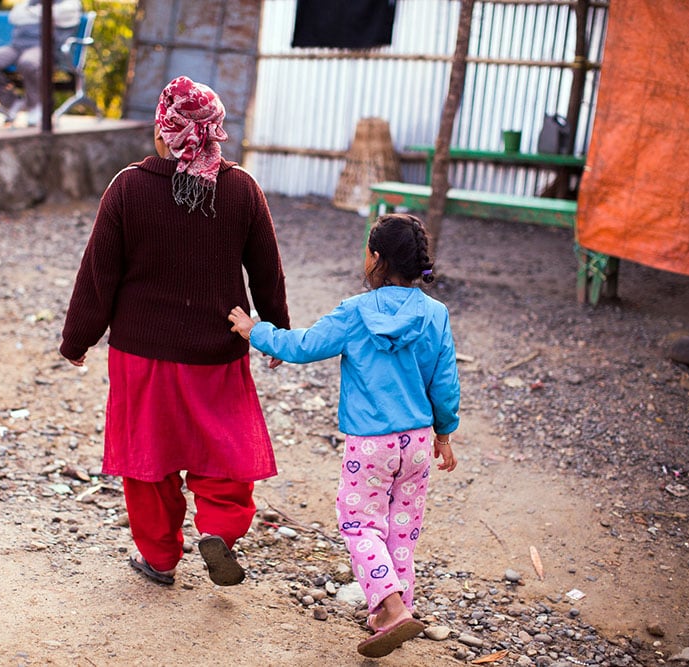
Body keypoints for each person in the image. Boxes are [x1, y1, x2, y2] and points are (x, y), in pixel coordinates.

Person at [59, 76, 290, 588]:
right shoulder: (241, 188)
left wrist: (78, 339)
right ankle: (221, 531)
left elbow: (99, 273)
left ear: (163, 131)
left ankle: (160, 557)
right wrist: (275, 332)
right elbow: (267, 270)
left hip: (142, 355)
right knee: (224, 455)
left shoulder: (128, 187)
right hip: (219, 353)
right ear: (214, 133)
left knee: (149, 461)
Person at [227, 213, 460, 658]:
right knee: (401, 530)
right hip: (415, 444)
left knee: (359, 523)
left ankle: (390, 607)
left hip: (370, 445)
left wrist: (254, 330)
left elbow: (303, 347)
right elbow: (444, 382)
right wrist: (444, 434)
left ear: (375, 258)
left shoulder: (355, 312)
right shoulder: (436, 314)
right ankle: (394, 609)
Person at [0, 0, 82, 126]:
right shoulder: (29, 4)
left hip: (44, 47)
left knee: (28, 63)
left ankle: (35, 106)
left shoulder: (70, 4)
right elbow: (15, 16)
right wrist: (41, 14)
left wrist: (34, 13)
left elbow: (61, 14)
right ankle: (12, 103)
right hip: (16, 46)